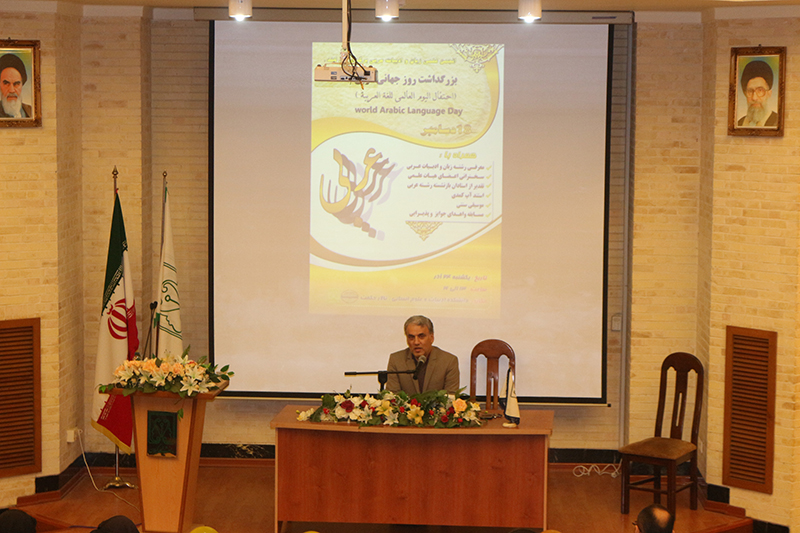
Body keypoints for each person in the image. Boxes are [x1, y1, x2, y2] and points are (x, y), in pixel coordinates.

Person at [385, 315, 459, 395]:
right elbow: (393, 396)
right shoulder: (396, 360)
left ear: (431, 338)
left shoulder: (449, 361)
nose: (416, 342)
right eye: (411, 337)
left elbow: (451, 396)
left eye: (421, 337)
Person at [737, 59, 778, 127]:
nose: (754, 98)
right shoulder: (740, 123)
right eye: (750, 91)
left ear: (769, 93)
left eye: (760, 90)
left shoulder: (777, 122)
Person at [0, 53, 32, 119]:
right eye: (6, 83)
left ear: (22, 85)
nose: (12, 90)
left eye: (16, 84)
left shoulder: (30, 111)